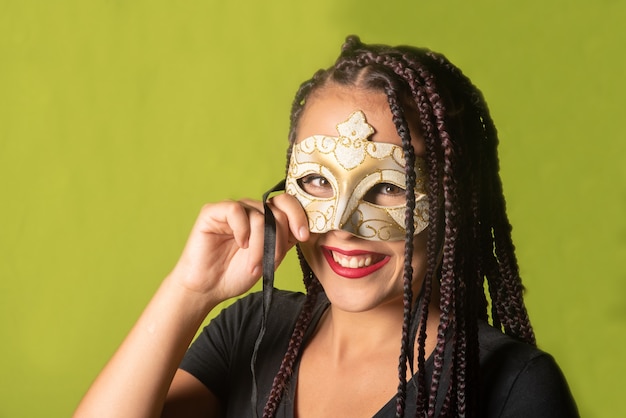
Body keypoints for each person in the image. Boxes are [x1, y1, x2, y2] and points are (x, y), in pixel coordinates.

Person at [74, 36, 579, 417]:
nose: (342, 224)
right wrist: (189, 290)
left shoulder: (513, 384)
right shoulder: (249, 333)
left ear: (454, 202)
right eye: (318, 181)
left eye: (389, 187)